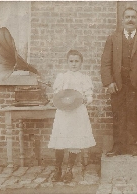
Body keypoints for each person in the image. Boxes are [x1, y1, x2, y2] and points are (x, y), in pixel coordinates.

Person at [101, 7, 137, 157]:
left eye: (133, 17)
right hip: (117, 84)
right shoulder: (113, 38)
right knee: (118, 115)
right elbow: (106, 62)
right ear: (123, 20)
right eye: (127, 17)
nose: (130, 20)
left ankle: (132, 146)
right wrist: (109, 82)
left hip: (135, 84)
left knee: (132, 115)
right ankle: (118, 146)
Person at [48, 50, 96, 183]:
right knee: (61, 141)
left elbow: (89, 94)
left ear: (81, 63)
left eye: (76, 61)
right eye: (71, 61)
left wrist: (88, 99)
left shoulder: (84, 78)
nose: (74, 64)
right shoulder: (62, 77)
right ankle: (58, 170)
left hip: (77, 112)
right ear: (67, 62)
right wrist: (57, 97)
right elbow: (57, 93)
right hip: (64, 112)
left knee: (74, 141)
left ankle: (69, 170)